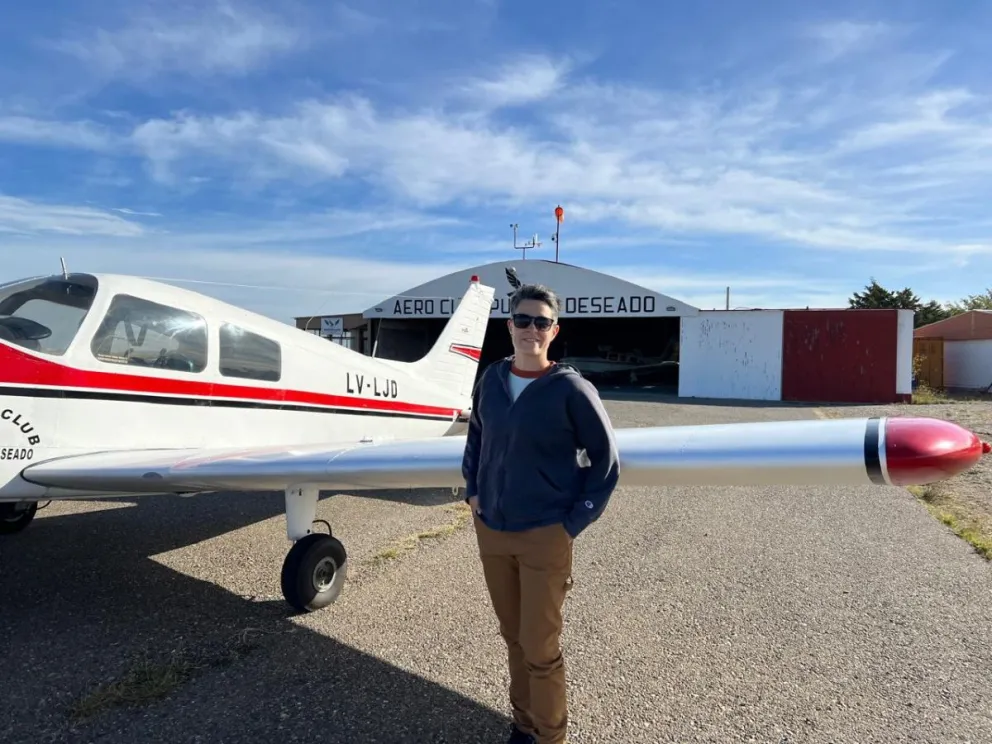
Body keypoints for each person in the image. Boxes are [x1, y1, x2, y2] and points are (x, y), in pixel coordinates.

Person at [461, 283, 620, 744]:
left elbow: (605, 464)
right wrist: (473, 491)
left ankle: (551, 737)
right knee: (513, 638)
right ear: (509, 326)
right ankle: (523, 726)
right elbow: (476, 439)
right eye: (523, 320)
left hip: (544, 536)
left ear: (554, 330)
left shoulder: (570, 389)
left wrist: (571, 523)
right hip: (491, 529)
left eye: (542, 322)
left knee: (541, 648)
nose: (532, 329)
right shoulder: (491, 380)